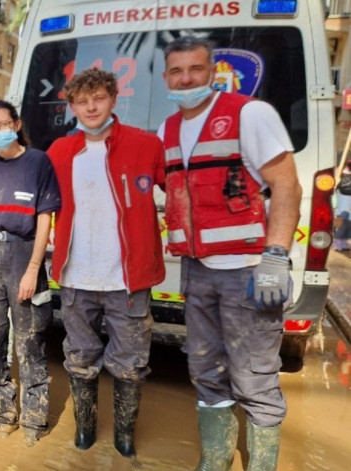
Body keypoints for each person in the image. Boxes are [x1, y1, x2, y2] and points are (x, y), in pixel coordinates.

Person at [160, 36, 302, 471]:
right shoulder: (168, 128)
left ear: (212, 71)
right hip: (197, 270)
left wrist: (276, 257)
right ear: (167, 77)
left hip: (247, 271)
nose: (186, 79)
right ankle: (216, 460)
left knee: (255, 377)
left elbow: (286, 185)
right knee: (205, 369)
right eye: (177, 71)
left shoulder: (248, 113)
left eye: (195, 70)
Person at [46, 68, 166, 457]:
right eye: (83, 101)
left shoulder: (146, 145)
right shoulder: (60, 152)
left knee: (131, 364)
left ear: (114, 99)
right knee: (79, 359)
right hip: (76, 277)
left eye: (98, 98)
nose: (91, 106)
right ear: (73, 107)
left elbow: (180, 191)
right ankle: (85, 429)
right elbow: (38, 207)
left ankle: (124, 436)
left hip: (128, 280)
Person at [0, 100, 60, 444]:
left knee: (31, 342)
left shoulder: (38, 162)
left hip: (25, 256)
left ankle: (35, 420)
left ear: (17, 124)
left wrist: (33, 269)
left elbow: (44, 219)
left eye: (2, 124)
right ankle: (3, 408)